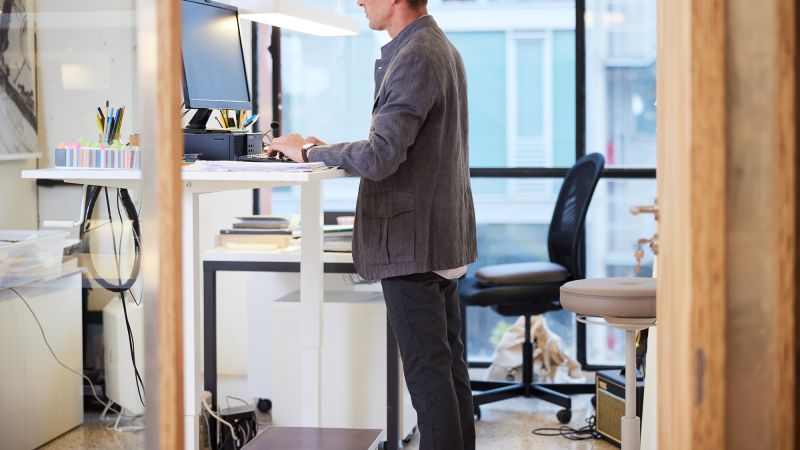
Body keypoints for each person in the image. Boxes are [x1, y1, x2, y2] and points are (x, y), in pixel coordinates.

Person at [269, 0, 477, 448]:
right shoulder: (435, 45)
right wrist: (327, 148)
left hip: (411, 244)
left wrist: (308, 153)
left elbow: (381, 157)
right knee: (446, 370)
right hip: (436, 236)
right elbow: (394, 144)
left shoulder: (415, 55)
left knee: (428, 378)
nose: (360, 1)